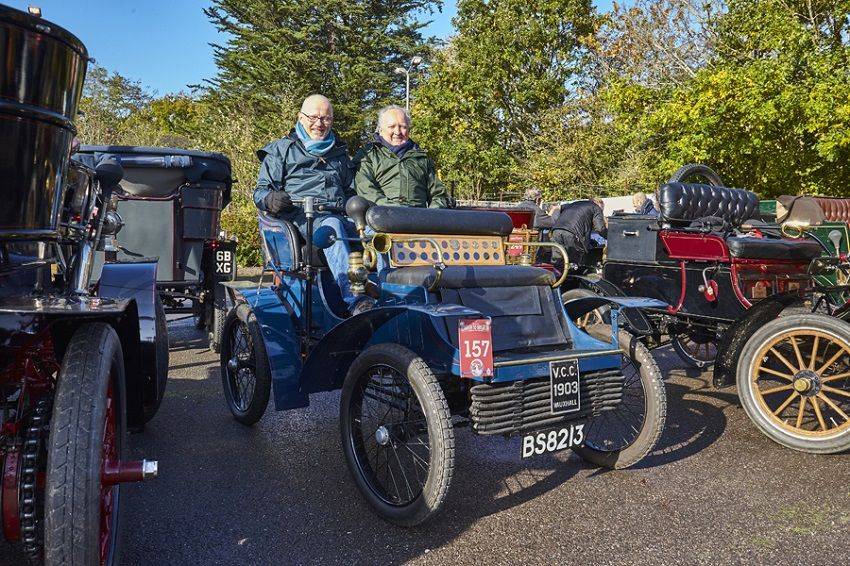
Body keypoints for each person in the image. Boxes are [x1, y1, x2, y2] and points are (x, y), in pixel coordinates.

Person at [253, 94, 373, 314]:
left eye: (326, 119)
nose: (319, 123)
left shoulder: (340, 154)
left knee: (378, 232)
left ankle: (389, 295)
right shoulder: (281, 149)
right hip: (303, 218)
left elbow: (350, 192)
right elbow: (260, 191)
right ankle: (355, 301)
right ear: (300, 117)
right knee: (332, 228)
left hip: (341, 215)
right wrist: (271, 199)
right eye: (314, 117)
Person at [354, 105, 449, 208]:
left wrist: (431, 215)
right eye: (392, 126)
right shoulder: (368, 155)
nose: (398, 132)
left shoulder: (421, 158)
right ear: (380, 129)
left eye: (403, 126)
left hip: (418, 218)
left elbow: (439, 195)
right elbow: (365, 190)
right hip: (381, 217)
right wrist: (395, 210)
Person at [551, 198, 607, 267]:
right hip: (572, 233)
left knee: (557, 260)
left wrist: (553, 220)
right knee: (573, 263)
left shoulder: (575, 203)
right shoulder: (596, 208)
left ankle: (556, 276)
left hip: (556, 230)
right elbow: (600, 229)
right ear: (599, 205)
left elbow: (557, 208)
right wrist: (610, 237)